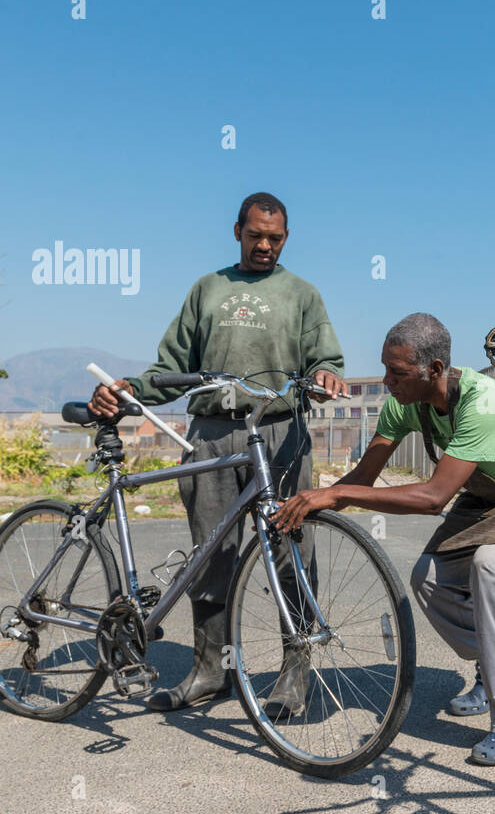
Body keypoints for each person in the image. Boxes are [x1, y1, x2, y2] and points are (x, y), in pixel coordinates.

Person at [272, 313, 495, 766]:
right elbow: (365, 476)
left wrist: (340, 493)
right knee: (428, 578)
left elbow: (434, 496)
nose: (386, 381)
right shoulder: (404, 403)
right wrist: (323, 497)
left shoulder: (482, 402)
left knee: (492, 568)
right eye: (385, 368)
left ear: (434, 370)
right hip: (487, 494)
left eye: (396, 373)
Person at [88, 191, 347, 714]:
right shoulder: (207, 289)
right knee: (211, 557)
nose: (265, 246)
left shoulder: (302, 294)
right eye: (255, 236)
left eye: (274, 238)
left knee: (292, 554)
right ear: (237, 232)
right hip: (211, 434)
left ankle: (294, 675)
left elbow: (327, 360)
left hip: (280, 433)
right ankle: (211, 670)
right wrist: (130, 389)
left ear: (287, 238)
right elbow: (169, 367)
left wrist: (325, 376)